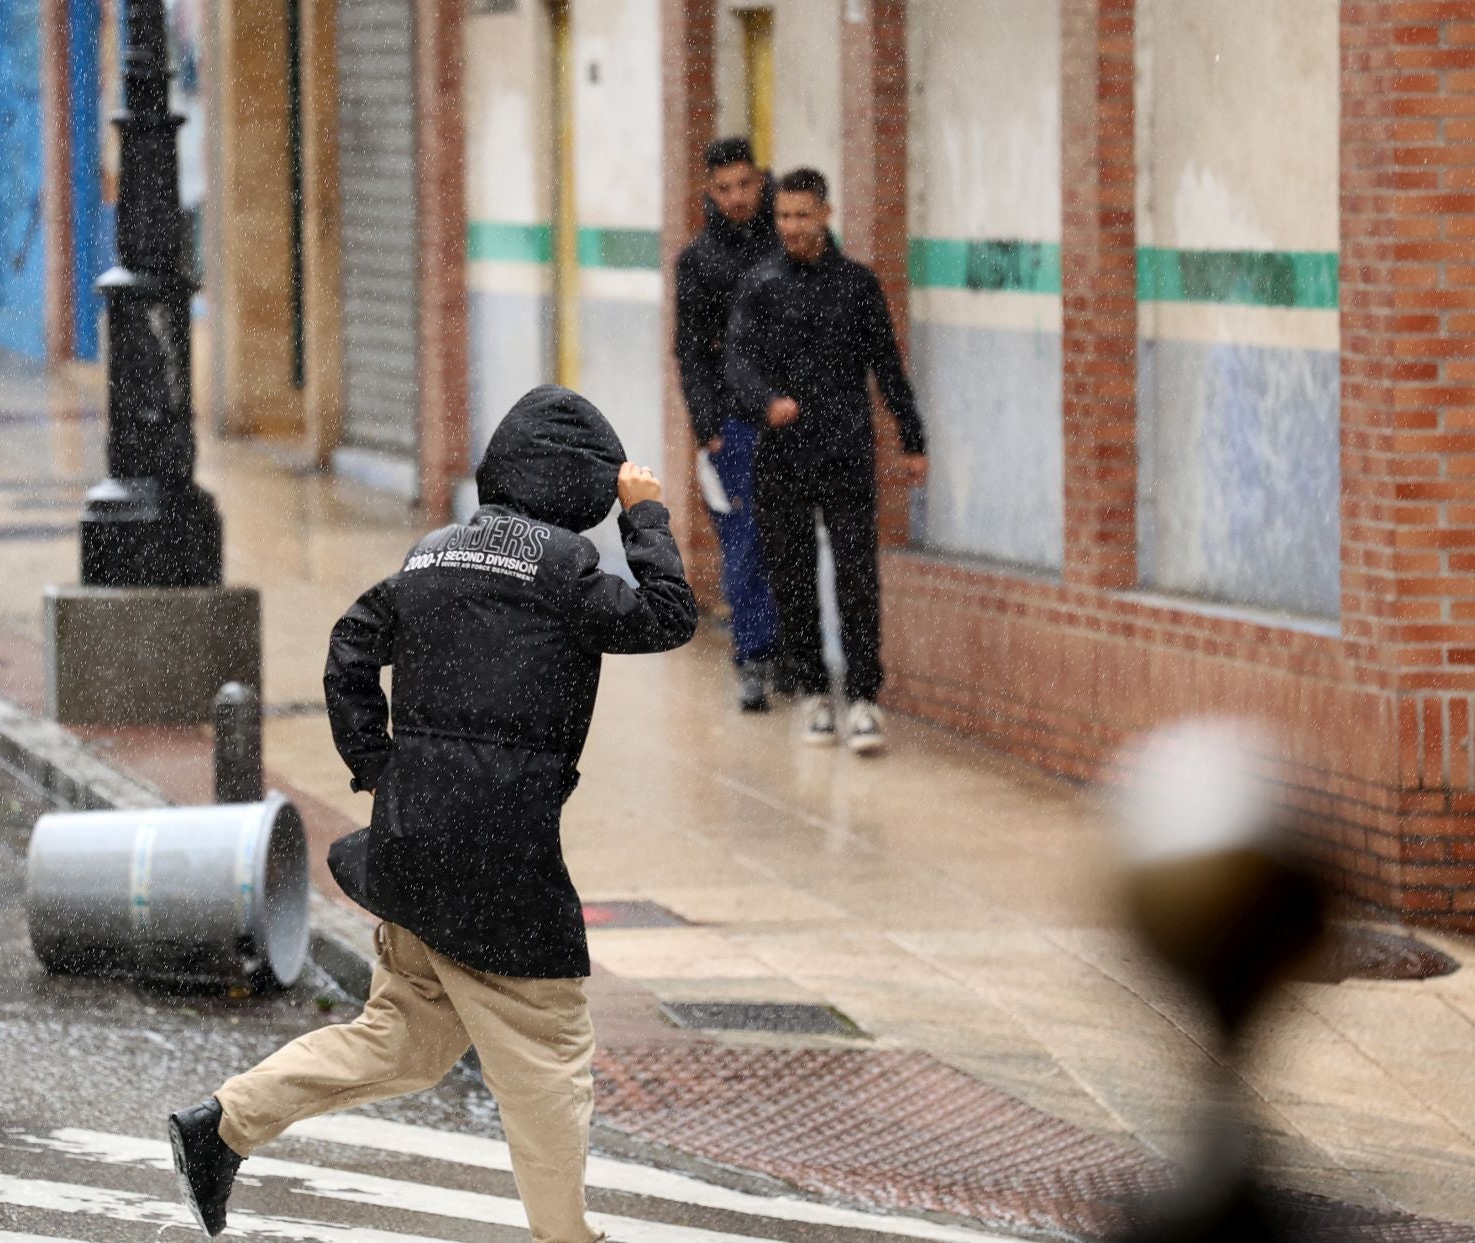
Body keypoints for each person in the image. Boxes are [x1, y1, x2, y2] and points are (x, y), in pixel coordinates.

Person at [169, 385, 698, 1241]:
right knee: (550, 1058)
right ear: (580, 488)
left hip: (415, 852)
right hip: (501, 865)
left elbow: (350, 642)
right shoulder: (567, 572)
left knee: (401, 1039)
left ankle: (221, 1125)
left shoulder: (430, 556)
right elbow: (672, 617)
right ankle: (567, 1236)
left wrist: (376, 765)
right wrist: (647, 517)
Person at [724, 167, 927, 754]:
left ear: (826, 216)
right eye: (783, 217)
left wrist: (912, 439)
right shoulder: (759, 286)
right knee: (792, 578)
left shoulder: (858, 287)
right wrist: (766, 402)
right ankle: (815, 694)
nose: (791, 227)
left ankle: (863, 700)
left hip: (845, 451)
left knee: (857, 576)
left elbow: (887, 367)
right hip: (780, 455)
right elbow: (736, 362)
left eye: (801, 216)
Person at [674, 136, 783, 712]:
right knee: (744, 543)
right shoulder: (698, 261)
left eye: (745, 184)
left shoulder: (786, 242)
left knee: (788, 540)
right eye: (725, 188)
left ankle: (791, 650)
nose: (737, 197)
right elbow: (689, 351)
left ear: (760, 181)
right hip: (733, 427)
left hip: (791, 418)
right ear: (709, 192)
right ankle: (754, 658)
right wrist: (706, 426)